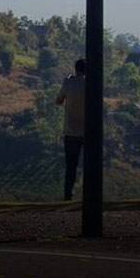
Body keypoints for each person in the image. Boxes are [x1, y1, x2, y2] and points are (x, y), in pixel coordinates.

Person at [55, 59, 86, 201]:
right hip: (88, 131)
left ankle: (68, 195)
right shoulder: (90, 84)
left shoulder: (68, 82)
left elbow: (59, 101)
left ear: (76, 69)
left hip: (71, 131)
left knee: (71, 165)